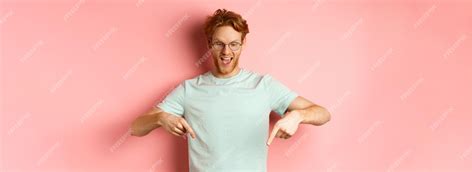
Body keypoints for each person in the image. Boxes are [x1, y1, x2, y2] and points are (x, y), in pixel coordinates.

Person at [131, 9, 331, 172]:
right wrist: (160, 118)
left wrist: (297, 116)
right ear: (210, 44)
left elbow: (323, 113)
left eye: (234, 44)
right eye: (219, 44)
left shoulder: (263, 85)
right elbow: (136, 128)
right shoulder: (189, 89)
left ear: (243, 44)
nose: (226, 52)